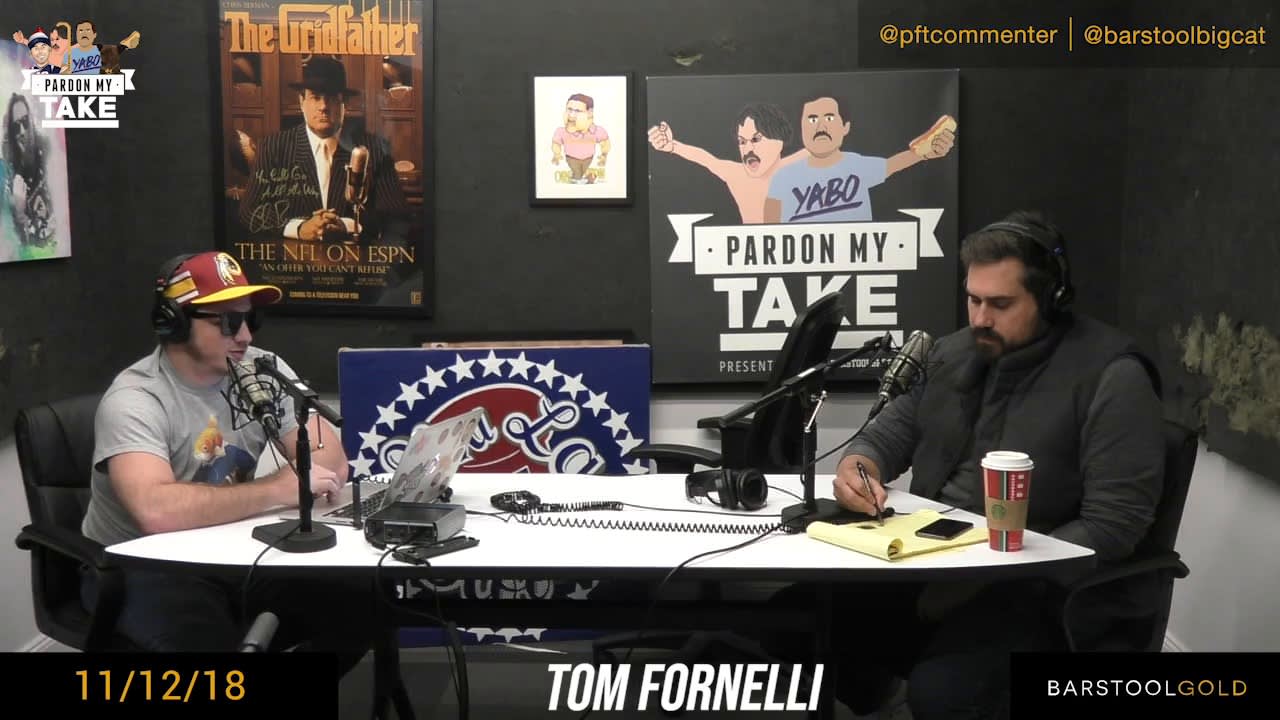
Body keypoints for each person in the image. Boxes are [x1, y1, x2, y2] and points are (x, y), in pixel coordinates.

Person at [769, 211, 1166, 719]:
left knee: (945, 694)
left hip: (1033, 589)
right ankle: (874, 694)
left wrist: (976, 583)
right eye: (973, 299)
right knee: (790, 619)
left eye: (1000, 304)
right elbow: (886, 435)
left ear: (1051, 298)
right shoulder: (952, 354)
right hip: (930, 563)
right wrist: (858, 466)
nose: (980, 318)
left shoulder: (1113, 376)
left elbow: (1115, 525)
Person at [79, 251, 376, 666]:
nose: (246, 336)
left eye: (250, 319)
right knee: (208, 643)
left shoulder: (260, 370)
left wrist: (302, 471)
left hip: (227, 549)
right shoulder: (135, 400)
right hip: (141, 565)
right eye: (228, 323)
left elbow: (330, 464)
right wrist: (276, 489)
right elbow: (155, 512)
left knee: (360, 603)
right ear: (175, 322)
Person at [237, 56, 409, 247]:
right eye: (315, 97)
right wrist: (299, 228)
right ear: (301, 101)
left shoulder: (375, 149)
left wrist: (348, 225)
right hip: (293, 261)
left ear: (344, 103)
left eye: (332, 98)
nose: (324, 107)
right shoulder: (273, 148)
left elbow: (396, 215)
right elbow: (249, 211)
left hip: (355, 262)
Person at [763, 94, 955, 223]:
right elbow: (768, 233)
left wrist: (927, 152)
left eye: (829, 118)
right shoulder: (783, 177)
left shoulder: (857, 166)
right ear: (801, 128)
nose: (821, 126)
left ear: (845, 127)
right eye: (812, 119)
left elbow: (894, 164)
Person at [648, 102, 806, 223]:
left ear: (779, 141)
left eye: (756, 139)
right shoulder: (737, 175)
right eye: (742, 141)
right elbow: (706, 159)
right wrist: (672, 146)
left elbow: (817, 148)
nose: (748, 149)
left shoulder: (795, 166)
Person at [551, 93, 610, 184]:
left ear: (589, 112)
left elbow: (605, 143)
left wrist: (604, 155)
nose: (571, 115)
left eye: (577, 111)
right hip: (571, 158)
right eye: (569, 109)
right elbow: (556, 143)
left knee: (589, 176)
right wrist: (556, 154)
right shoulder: (561, 131)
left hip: (589, 159)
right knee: (577, 175)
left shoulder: (596, 130)